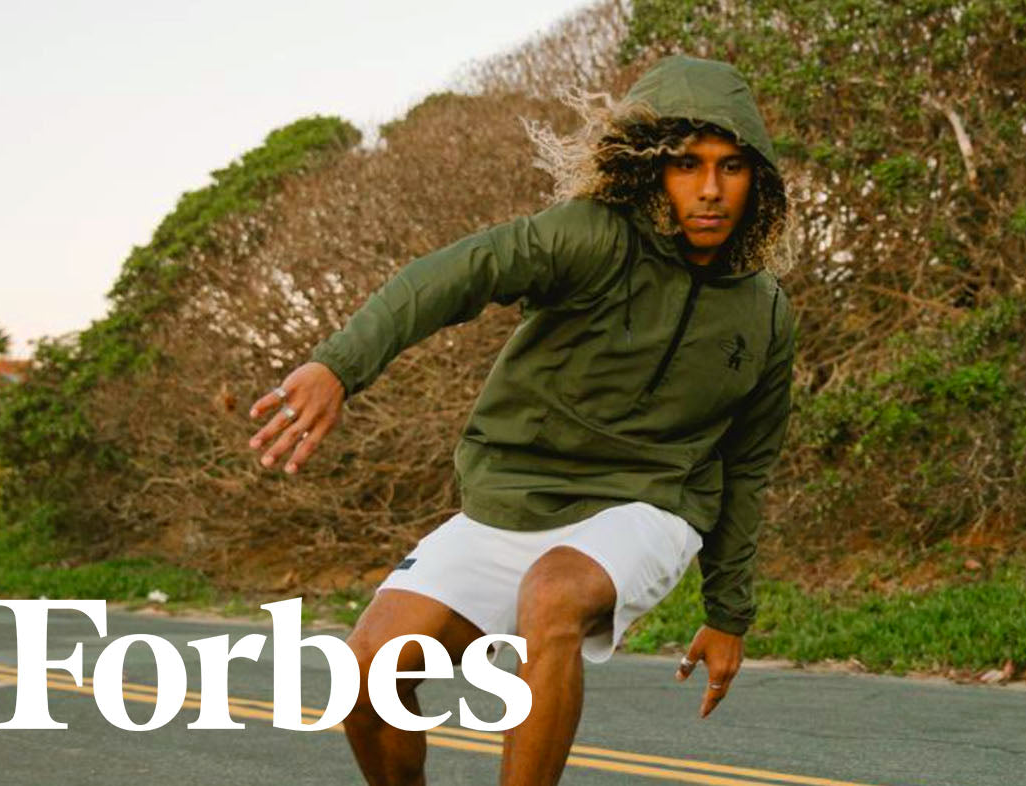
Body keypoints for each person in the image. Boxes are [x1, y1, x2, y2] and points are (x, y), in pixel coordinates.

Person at [247, 54, 796, 785]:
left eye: (731, 168)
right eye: (687, 165)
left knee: (553, 593)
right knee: (367, 681)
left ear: (755, 179)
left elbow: (747, 463)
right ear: (650, 170)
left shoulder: (765, 313)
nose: (709, 190)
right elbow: (459, 273)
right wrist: (339, 365)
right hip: (516, 499)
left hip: (650, 504)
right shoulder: (591, 237)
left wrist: (728, 613)